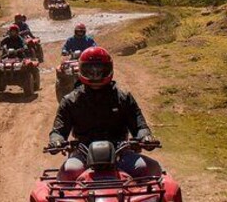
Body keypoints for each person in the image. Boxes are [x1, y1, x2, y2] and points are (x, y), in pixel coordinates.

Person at [48, 47, 162, 181]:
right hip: (83, 152)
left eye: (100, 70)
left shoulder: (123, 98)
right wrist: (56, 141)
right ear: (81, 70)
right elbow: (58, 131)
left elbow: (140, 126)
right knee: (68, 172)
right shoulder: (70, 101)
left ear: (109, 69)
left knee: (146, 169)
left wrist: (145, 137)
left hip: (120, 151)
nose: (95, 75)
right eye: (90, 71)